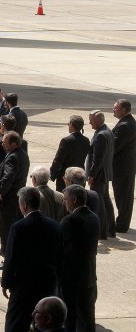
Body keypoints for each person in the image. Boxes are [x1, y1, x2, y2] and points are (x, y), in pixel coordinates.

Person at [0, 187, 63, 332]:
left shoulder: (19, 227)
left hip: (23, 287)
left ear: (25, 205)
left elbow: (11, 259)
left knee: (15, 327)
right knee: (45, 327)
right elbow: (60, 256)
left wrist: (5, 282)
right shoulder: (55, 226)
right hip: (47, 285)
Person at [60, 184, 98, 332]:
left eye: (66, 199)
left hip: (71, 277)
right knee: (87, 317)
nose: (64, 203)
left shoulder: (69, 220)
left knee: (70, 318)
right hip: (88, 275)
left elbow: (59, 246)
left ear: (74, 200)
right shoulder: (93, 217)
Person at [0, 131, 29, 260]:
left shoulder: (12, 157)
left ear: (14, 144)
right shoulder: (22, 154)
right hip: (17, 196)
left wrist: (2, 191)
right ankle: (6, 249)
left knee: (6, 226)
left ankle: (6, 254)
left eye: (5, 143)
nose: (2, 145)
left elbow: (9, 175)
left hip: (8, 197)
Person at [85, 110, 115, 239]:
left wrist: (92, 175)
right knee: (106, 201)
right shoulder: (107, 131)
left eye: (91, 120)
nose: (89, 122)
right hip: (104, 173)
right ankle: (110, 229)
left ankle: (101, 232)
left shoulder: (101, 135)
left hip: (98, 175)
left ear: (98, 120)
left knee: (99, 203)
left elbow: (97, 159)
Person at [111, 98, 134, 233]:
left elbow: (115, 146)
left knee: (123, 195)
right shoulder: (128, 122)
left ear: (124, 110)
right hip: (126, 166)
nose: (113, 110)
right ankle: (122, 222)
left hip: (122, 167)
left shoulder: (124, 125)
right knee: (124, 195)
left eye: (116, 108)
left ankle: (122, 224)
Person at [50, 116, 91, 193]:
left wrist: (52, 174)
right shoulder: (86, 140)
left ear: (71, 124)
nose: (68, 125)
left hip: (66, 177)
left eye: (69, 123)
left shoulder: (66, 140)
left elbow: (58, 159)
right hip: (80, 175)